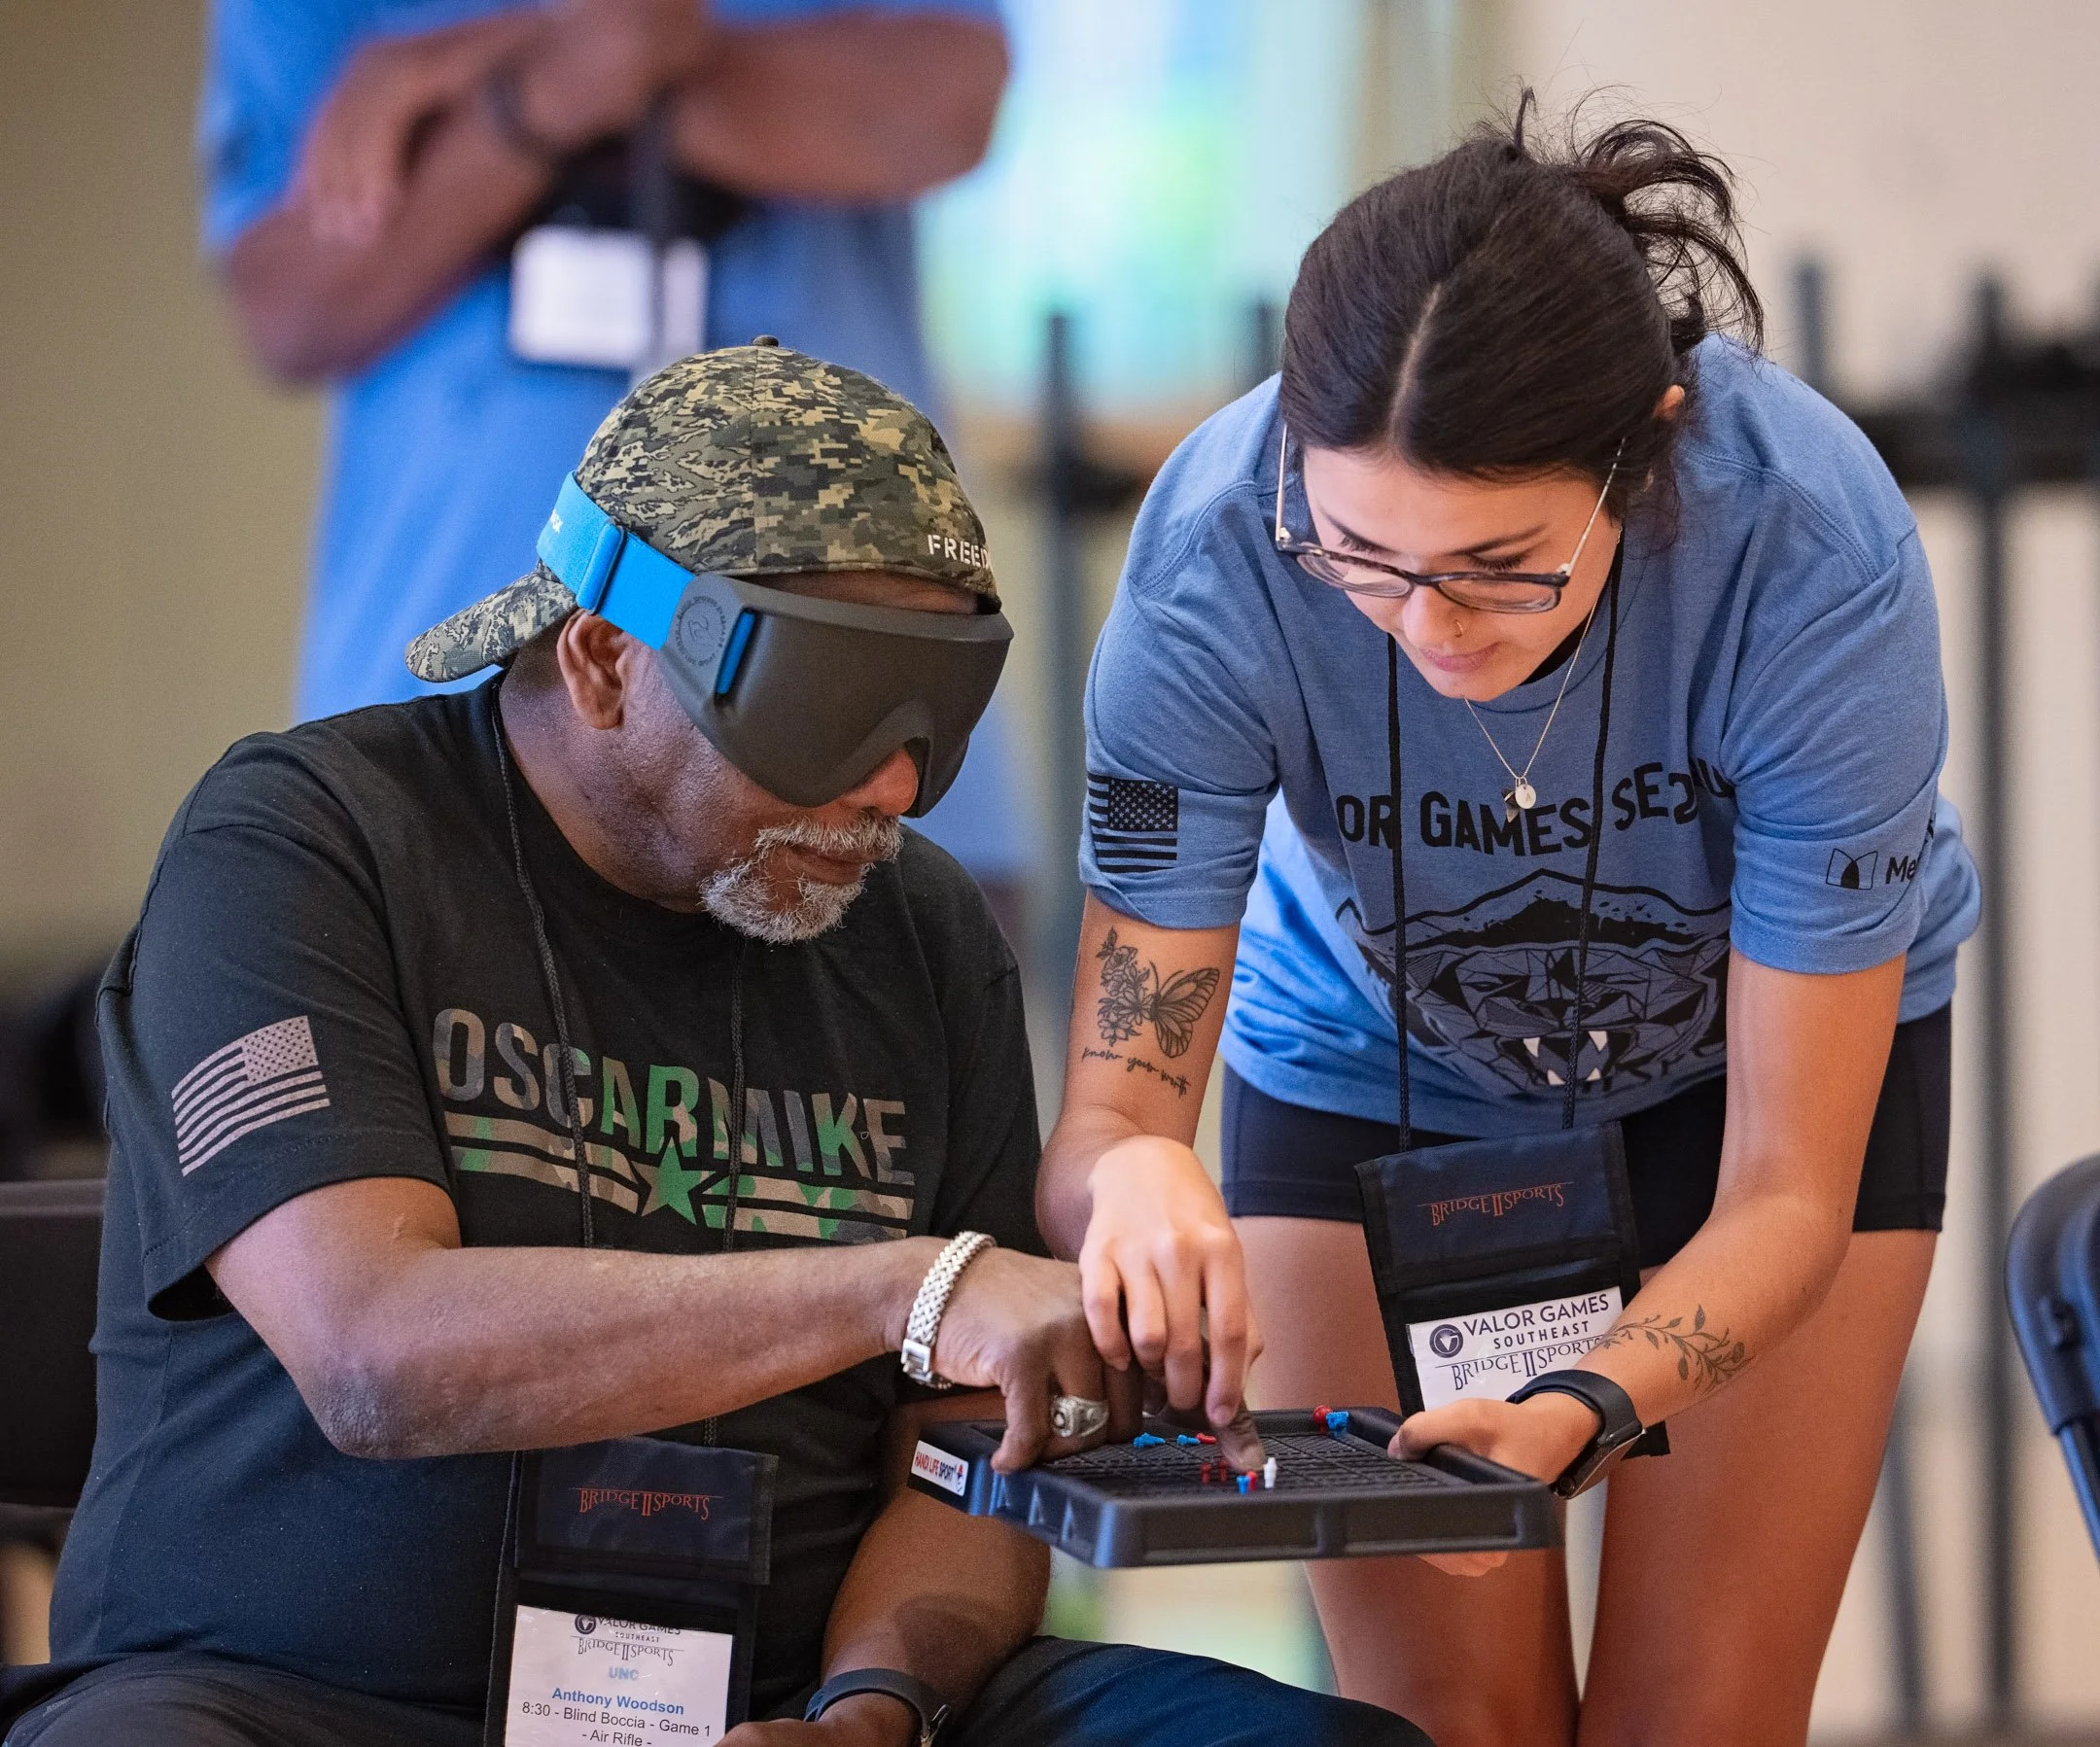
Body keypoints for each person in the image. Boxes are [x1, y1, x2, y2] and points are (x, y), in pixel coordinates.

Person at [0, 347, 1420, 1747]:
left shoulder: (915, 929)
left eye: (938, 714)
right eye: (825, 710)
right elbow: (375, 1354)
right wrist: (905, 1289)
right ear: (608, 658)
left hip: (788, 1693)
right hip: (299, 1698)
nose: (889, 785)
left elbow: (962, 1449)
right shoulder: (305, 847)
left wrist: (874, 1713)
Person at [1037, 101, 1979, 1747]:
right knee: (1441, 1727)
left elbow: (1784, 1193)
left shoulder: (1811, 554)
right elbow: (1112, 1110)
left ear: (1653, 445)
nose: (1424, 628)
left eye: (1499, 567)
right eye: (1363, 559)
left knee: (1697, 1718)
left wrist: (1590, 1396)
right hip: (1364, 1054)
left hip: (1743, 1085)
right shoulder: (1207, 562)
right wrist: (1134, 1178)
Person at [200, 0, 1031, 922]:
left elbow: (946, 104)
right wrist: (547, 89)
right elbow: (289, 301)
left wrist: (495, 73)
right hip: (443, 736)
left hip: (864, 732)